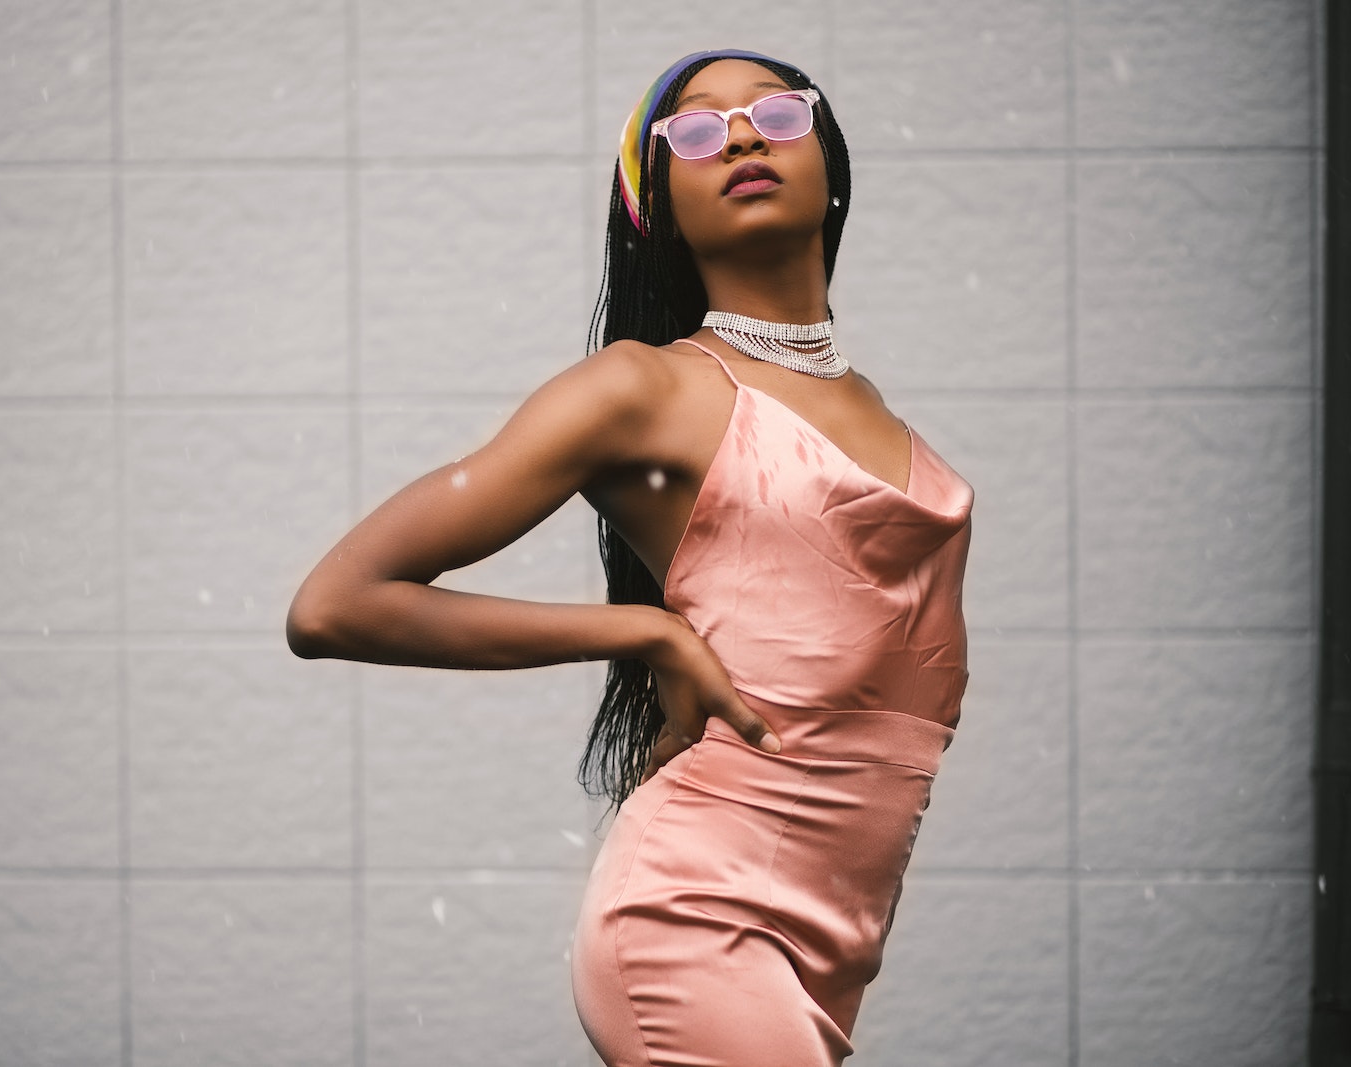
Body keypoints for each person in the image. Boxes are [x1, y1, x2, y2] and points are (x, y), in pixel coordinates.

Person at [288, 47, 974, 1067]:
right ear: (658, 205)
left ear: (830, 163)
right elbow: (335, 602)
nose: (740, 134)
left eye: (775, 114)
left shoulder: (882, 417)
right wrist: (644, 627)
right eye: (694, 131)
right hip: (695, 916)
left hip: (834, 938)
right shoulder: (641, 389)